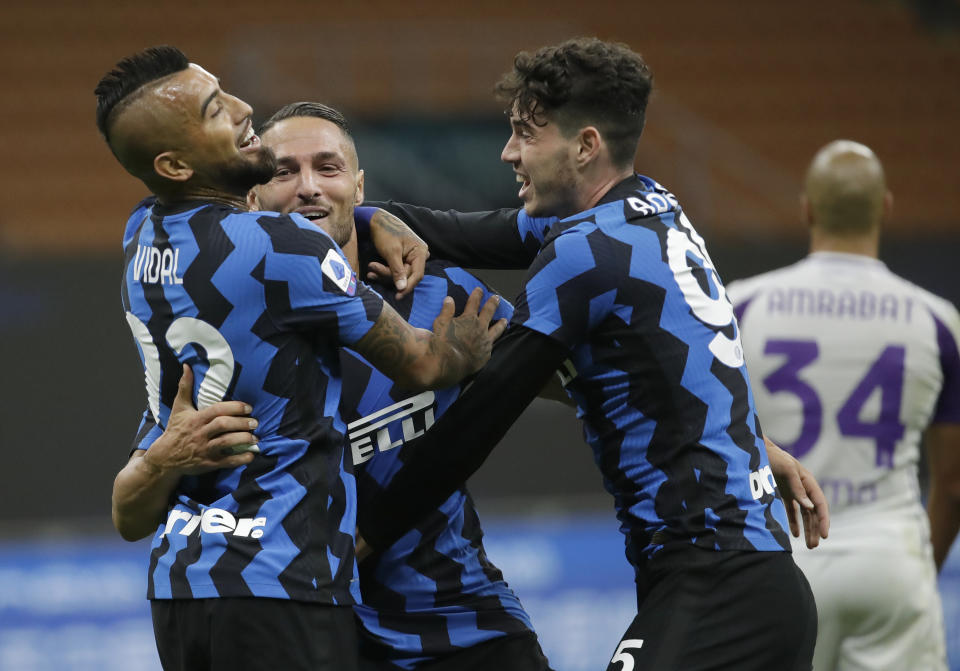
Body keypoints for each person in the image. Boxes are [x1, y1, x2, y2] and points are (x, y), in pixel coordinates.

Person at [355, 37, 826, 670]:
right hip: (744, 578)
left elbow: (480, 417)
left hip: (716, 583)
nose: (509, 152)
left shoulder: (586, 254)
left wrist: (368, 532)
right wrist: (363, 213)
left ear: (585, 146)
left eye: (527, 133)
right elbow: (458, 231)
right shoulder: (652, 210)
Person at [98, 46, 505, 671]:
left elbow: (129, 516)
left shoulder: (140, 234)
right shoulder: (287, 251)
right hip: (281, 582)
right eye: (214, 109)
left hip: (180, 588)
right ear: (174, 163)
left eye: (224, 91)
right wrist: (466, 351)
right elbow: (423, 366)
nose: (241, 109)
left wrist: (373, 218)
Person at [726, 140, 960, 671]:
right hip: (888, 555)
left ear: (806, 207)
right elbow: (952, 483)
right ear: (886, 208)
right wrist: (919, 567)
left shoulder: (742, 303)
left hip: (783, 557)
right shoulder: (937, 319)